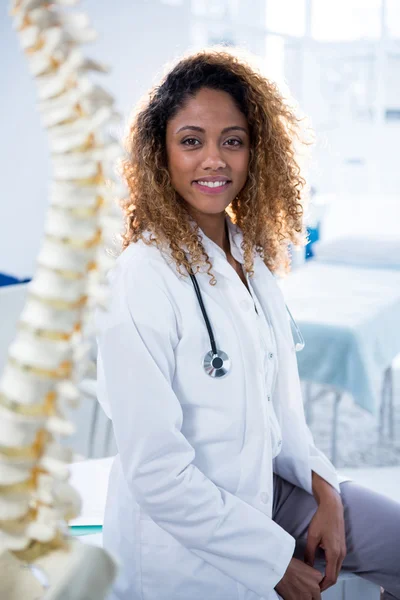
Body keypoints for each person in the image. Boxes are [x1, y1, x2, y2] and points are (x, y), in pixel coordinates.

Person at [96, 49, 400, 600]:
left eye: (231, 140)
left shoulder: (249, 257)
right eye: (192, 141)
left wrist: (327, 493)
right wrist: (274, 562)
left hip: (271, 485)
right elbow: (156, 472)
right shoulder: (141, 277)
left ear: (256, 152)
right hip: (189, 528)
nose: (214, 159)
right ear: (160, 154)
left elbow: (280, 411)